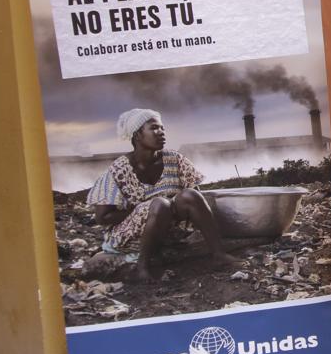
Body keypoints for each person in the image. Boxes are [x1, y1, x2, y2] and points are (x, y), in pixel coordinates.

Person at [87, 108, 238, 282]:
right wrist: (146, 211)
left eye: (162, 128)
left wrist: (171, 213)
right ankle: (141, 267)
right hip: (131, 236)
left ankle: (218, 254)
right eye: (154, 128)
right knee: (159, 204)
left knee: (189, 195)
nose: (161, 132)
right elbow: (102, 217)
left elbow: (196, 199)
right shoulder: (119, 170)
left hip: (170, 230)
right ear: (137, 135)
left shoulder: (175, 159)